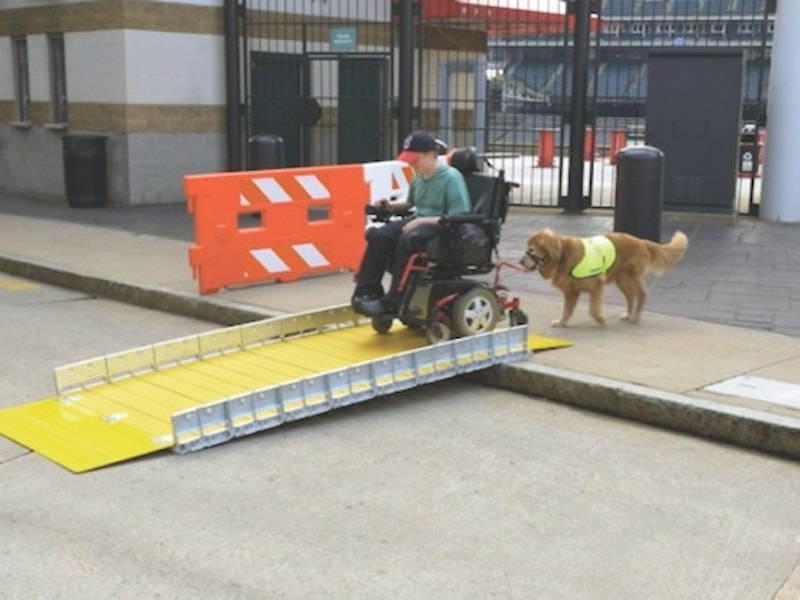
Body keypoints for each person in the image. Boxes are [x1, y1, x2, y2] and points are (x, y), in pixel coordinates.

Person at [351, 130, 471, 318]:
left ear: (430, 155)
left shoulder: (451, 178)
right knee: (378, 236)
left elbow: (458, 215)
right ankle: (367, 291)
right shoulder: (418, 177)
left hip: (443, 227)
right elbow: (410, 203)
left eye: (415, 160)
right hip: (418, 221)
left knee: (407, 239)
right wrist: (389, 205)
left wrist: (421, 221)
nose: (411, 165)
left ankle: (394, 300)